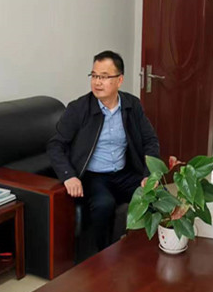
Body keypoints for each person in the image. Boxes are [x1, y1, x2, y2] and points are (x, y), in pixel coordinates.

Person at [47, 50, 160, 250]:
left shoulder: (132, 105)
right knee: (104, 204)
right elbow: (55, 145)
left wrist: (148, 174)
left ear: (120, 80)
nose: (97, 82)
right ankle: (102, 259)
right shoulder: (78, 108)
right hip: (93, 176)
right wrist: (68, 176)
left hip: (124, 172)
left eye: (104, 77)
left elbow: (150, 140)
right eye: (94, 76)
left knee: (158, 196)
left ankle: (144, 251)